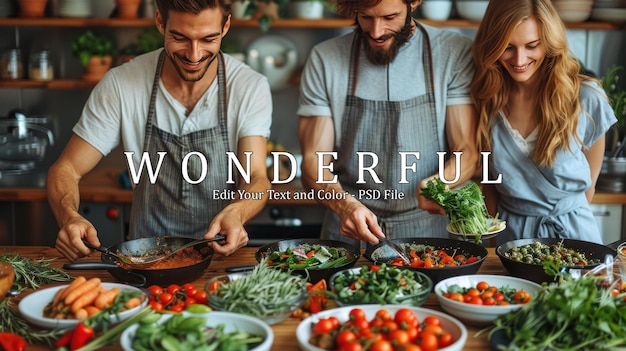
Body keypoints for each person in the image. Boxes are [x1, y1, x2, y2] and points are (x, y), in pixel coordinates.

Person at [47, 0, 272, 260]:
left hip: (221, 258)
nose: (194, 54)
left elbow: (256, 177)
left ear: (226, 26)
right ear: (160, 22)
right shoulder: (121, 85)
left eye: (208, 39)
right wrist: (69, 216)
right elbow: (66, 169)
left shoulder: (249, 87)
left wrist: (238, 212)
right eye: (180, 38)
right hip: (144, 258)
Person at [297, 0, 479, 246]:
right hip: (350, 229)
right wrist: (344, 204)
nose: (376, 31)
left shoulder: (453, 52)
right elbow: (313, 161)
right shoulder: (325, 58)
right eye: (366, 17)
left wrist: (440, 183)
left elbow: (467, 151)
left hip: (429, 228)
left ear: (413, 2)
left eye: (390, 17)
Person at [471, 0, 616, 244]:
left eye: (532, 46)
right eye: (507, 47)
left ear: (549, 42)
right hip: (512, 240)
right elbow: (490, 189)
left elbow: (588, 189)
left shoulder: (586, 98)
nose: (519, 59)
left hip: (574, 238)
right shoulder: (486, 102)